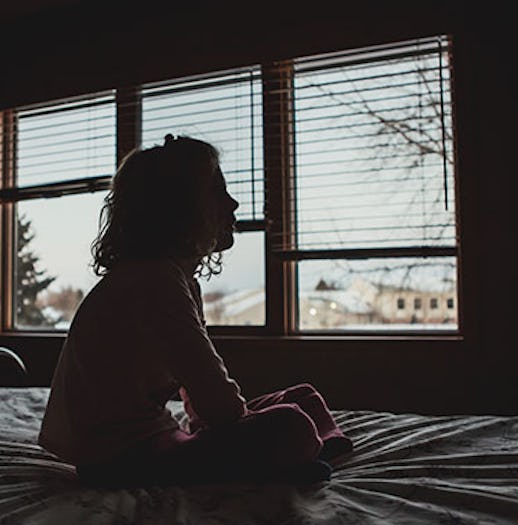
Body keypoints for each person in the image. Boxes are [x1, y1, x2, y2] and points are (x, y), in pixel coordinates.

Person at [38, 134, 352, 487]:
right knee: (291, 424)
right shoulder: (154, 280)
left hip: (151, 440)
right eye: (218, 193)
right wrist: (236, 422)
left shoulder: (174, 278)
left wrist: (218, 420)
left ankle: (306, 451)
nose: (233, 204)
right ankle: (295, 455)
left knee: (303, 398)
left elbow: (194, 382)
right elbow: (216, 398)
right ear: (180, 209)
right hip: (119, 458)